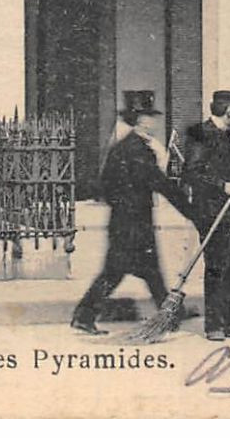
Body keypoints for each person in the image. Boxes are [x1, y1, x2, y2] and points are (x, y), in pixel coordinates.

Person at [71, 90, 195, 336]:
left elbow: (105, 185)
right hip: (132, 223)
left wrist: (123, 202)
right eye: (148, 117)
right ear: (139, 120)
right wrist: (191, 210)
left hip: (126, 220)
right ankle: (84, 315)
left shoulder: (124, 147)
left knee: (149, 271)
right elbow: (160, 183)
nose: (152, 122)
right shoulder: (136, 150)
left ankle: (169, 313)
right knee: (118, 271)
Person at [183, 90, 230, 341]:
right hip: (213, 213)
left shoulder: (227, 136)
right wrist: (223, 185)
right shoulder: (202, 134)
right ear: (229, 109)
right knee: (217, 267)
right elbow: (192, 171)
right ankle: (214, 325)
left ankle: (229, 324)